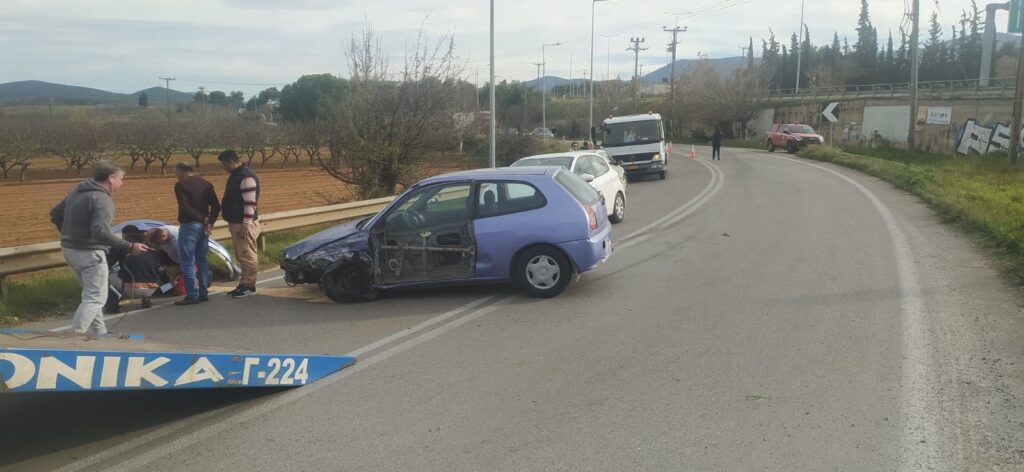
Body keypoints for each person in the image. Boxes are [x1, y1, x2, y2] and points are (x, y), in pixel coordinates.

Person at [49, 160, 149, 335]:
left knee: (90, 295)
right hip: (90, 254)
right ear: (110, 178)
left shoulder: (77, 191)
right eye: (120, 179)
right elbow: (100, 232)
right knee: (95, 297)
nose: (121, 183)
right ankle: (74, 337)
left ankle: (100, 332)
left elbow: (55, 214)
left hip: (70, 250)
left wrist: (69, 233)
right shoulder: (102, 199)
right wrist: (129, 246)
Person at [172, 162, 220, 305]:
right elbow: (216, 206)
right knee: (202, 260)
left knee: (187, 261)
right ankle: (203, 292)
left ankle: (192, 294)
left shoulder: (180, 185)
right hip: (204, 227)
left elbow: (185, 207)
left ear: (180, 170)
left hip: (189, 225)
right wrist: (209, 221)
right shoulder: (205, 183)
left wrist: (201, 219)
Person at [218, 149, 261, 298]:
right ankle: (244, 283)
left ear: (231, 162)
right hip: (237, 222)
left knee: (247, 255)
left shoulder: (245, 177)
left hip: (243, 223)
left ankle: (250, 285)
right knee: (242, 255)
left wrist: (246, 224)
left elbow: (250, 203)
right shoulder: (237, 176)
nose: (223, 167)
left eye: (224, 164)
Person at [105, 225, 162, 314]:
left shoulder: (121, 246)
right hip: (153, 287)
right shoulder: (150, 245)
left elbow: (107, 264)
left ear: (124, 234)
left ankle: (112, 306)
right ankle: (145, 298)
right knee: (142, 270)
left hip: (131, 289)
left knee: (105, 275)